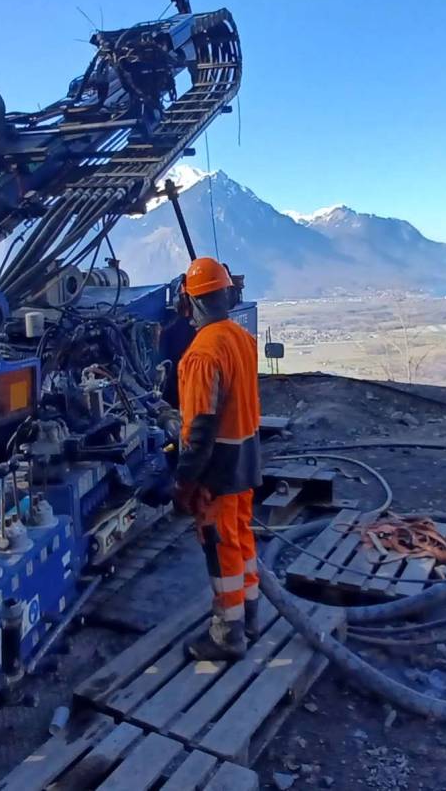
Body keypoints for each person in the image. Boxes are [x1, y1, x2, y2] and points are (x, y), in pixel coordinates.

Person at [173, 257, 262, 662]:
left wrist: (185, 483)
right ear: (227, 295)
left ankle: (228, 635)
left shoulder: (202, 355)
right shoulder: (241, 339)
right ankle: (250, 616)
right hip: (246, 460)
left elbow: (200, 430)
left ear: (191, 303)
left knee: (221, 546)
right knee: (241, 540)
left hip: (219, 470)